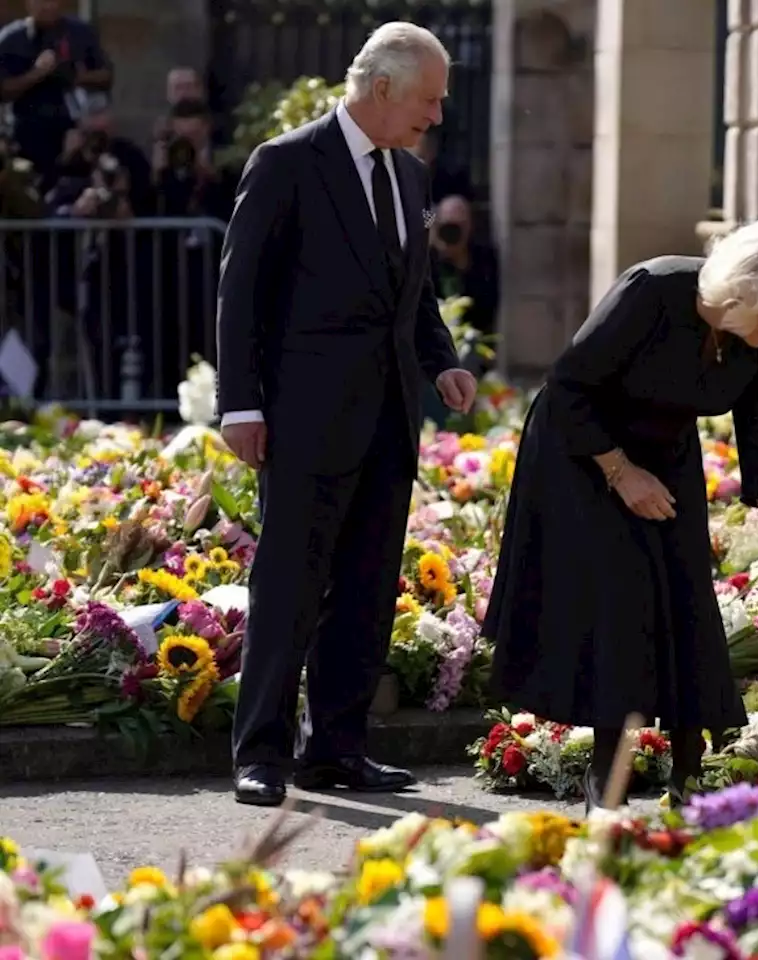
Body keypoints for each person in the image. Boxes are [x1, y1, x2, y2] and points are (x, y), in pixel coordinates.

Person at [483, 217, 758, 810]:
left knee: (687, 591)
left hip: (665, 454)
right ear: (744, 297)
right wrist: (620, 472)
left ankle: (689, 777)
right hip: (583, 449)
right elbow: (568, 386)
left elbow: (757, 436)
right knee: (623, 597)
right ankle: (606, 782)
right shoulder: (651, 290)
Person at [216, 22, 478, 807]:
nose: (436, 116)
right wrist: (239, 404)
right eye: (429, 100)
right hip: (302, 419)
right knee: (290, 587)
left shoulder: (409, 177)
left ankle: (336, 750)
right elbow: (240, 293)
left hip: (389, 417)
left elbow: (414, 294)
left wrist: (444, 360)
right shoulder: (287, 163)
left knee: (366, 592)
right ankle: (259, 752)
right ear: (384, 87)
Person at [0, 0, 112, 188]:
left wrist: (77, 76)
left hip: (73, 134)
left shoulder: (80, 33)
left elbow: (106, 76)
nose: (47, 6)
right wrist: (38, 73)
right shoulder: (11, 39)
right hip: (26, 135)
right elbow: (3, 90)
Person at [430, 194, 499, 369]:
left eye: (457, 226)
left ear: (468, 226)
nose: (451, 233)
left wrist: (462, 262)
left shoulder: (482, 258)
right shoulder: (427, 258)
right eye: (446, 226)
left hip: (473, 346)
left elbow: (488, 305)